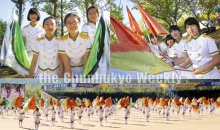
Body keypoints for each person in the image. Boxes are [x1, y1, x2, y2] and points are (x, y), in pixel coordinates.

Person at [59, 13, 92, 78]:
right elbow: (66, 62)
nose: (72, 25)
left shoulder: (87, 38)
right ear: (65, 25)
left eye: (74, 22)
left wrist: (86, 76)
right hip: (68, 71)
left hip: (83, 70)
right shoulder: (62, 40)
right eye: (68, 23)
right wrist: (71, 78)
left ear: (79, 23)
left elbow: (86, 60)